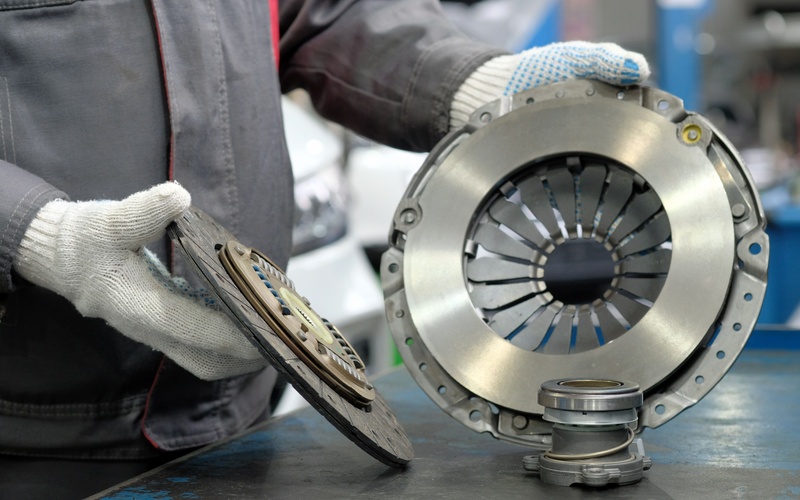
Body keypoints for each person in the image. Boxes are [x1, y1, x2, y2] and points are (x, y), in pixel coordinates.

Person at [0, 1, 648, 497]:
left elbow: (319, 9)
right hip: (31, 435)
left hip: (253, 411)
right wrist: (35, 234)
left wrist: (471, 82)